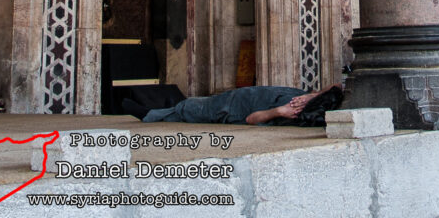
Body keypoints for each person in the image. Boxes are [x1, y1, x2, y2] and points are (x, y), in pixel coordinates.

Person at [123, 84, 343, 126]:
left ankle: (148, 114)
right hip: (242, 96)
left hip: (234, 110)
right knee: (191, 107)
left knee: (190, 109)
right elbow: (335, 86)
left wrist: (278, 111)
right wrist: (312, 96)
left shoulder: (293, 114)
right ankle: (161, 111)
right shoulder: (306, 100)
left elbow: (252, 119)